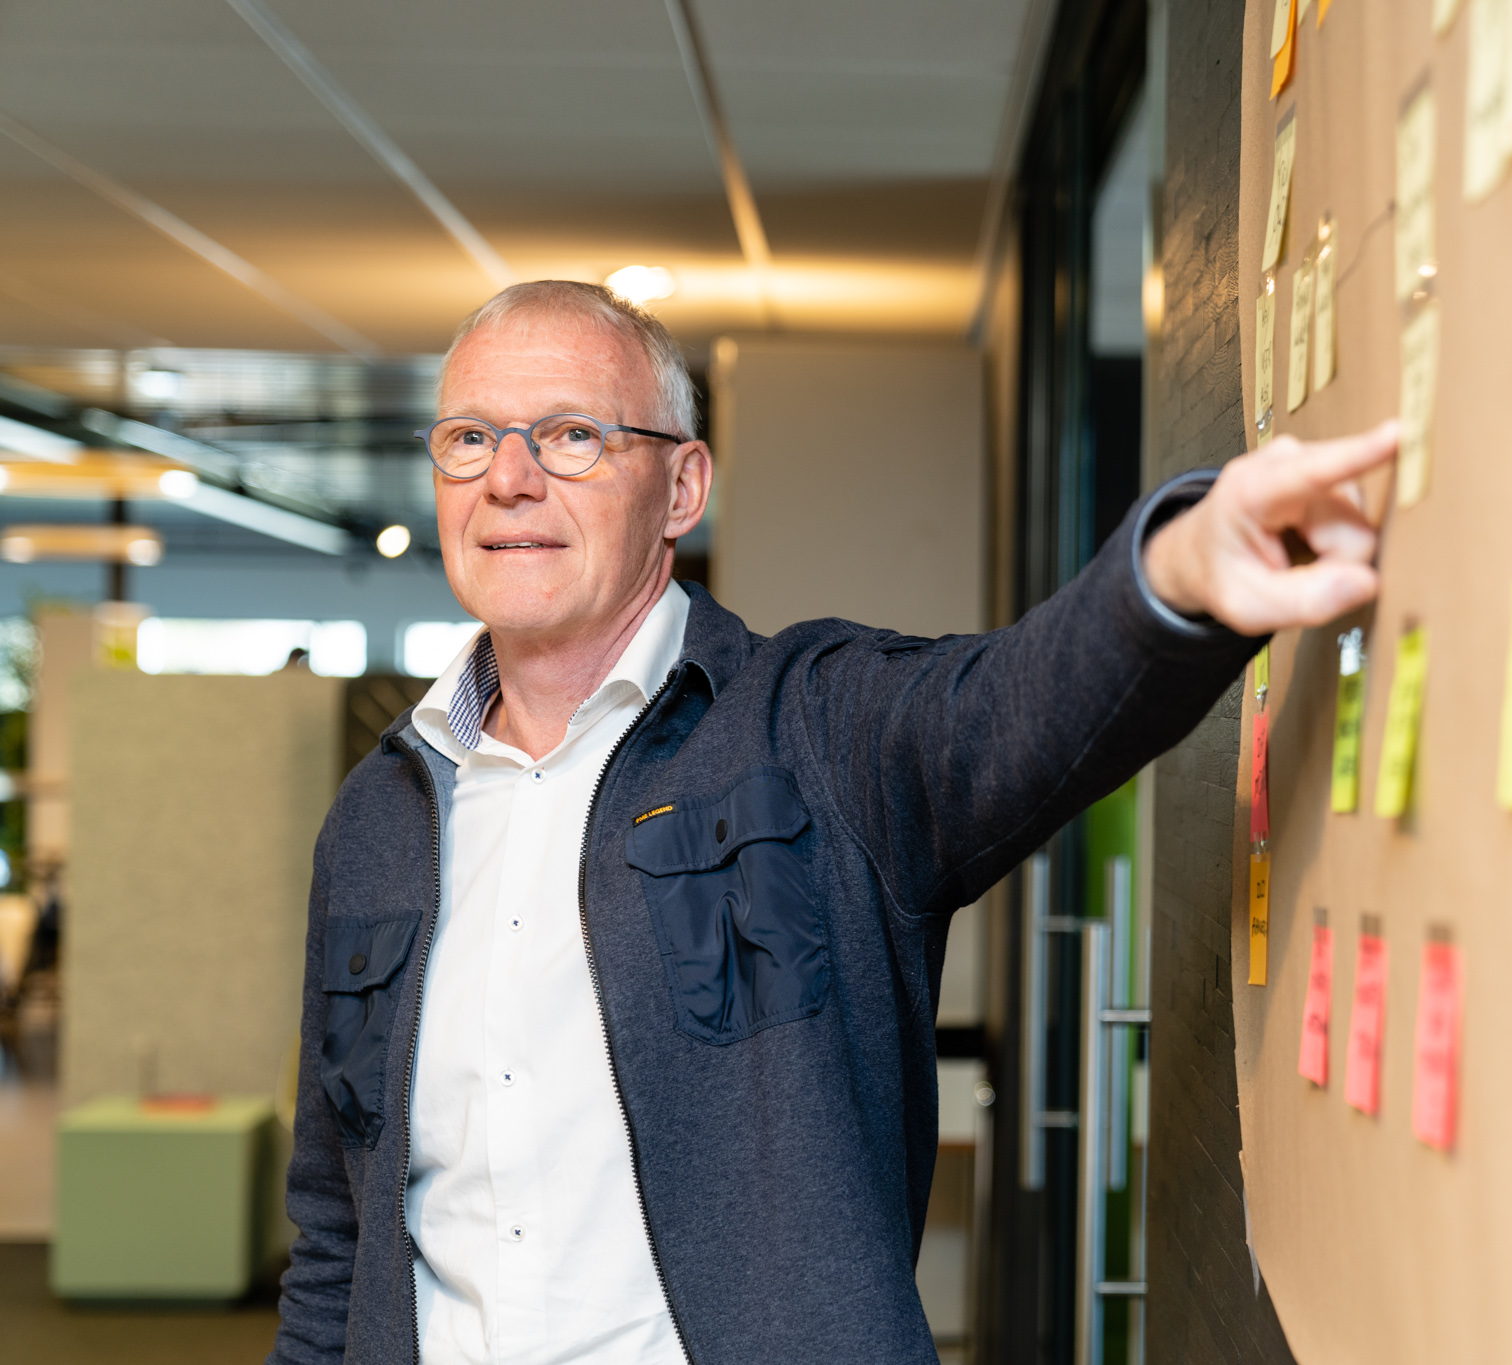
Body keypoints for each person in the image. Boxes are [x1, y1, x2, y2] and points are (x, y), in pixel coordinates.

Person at [271, 280, 1398, 1365]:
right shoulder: (378, 818)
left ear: (680, 489)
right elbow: (339, 1233)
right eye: (469, 438)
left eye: (571, 437)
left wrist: (1179, 574)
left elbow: (1010, 707)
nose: (507, 480)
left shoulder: (811, 728)